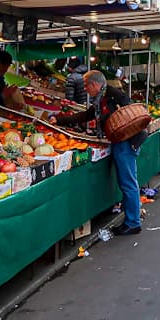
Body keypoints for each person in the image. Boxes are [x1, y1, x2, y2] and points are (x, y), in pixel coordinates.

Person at [54, 71, 145, 235]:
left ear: (94, 85)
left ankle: (133, 222)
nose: (85, 89)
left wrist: (135, 141)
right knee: (128, 181)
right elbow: (87, 115)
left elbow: (133, 113)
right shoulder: (101, 98)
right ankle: (132, 218)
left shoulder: (112, 94)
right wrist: (60, 120)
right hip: (120, 141)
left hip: (125, 142)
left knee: (128, 182)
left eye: (86, 85)